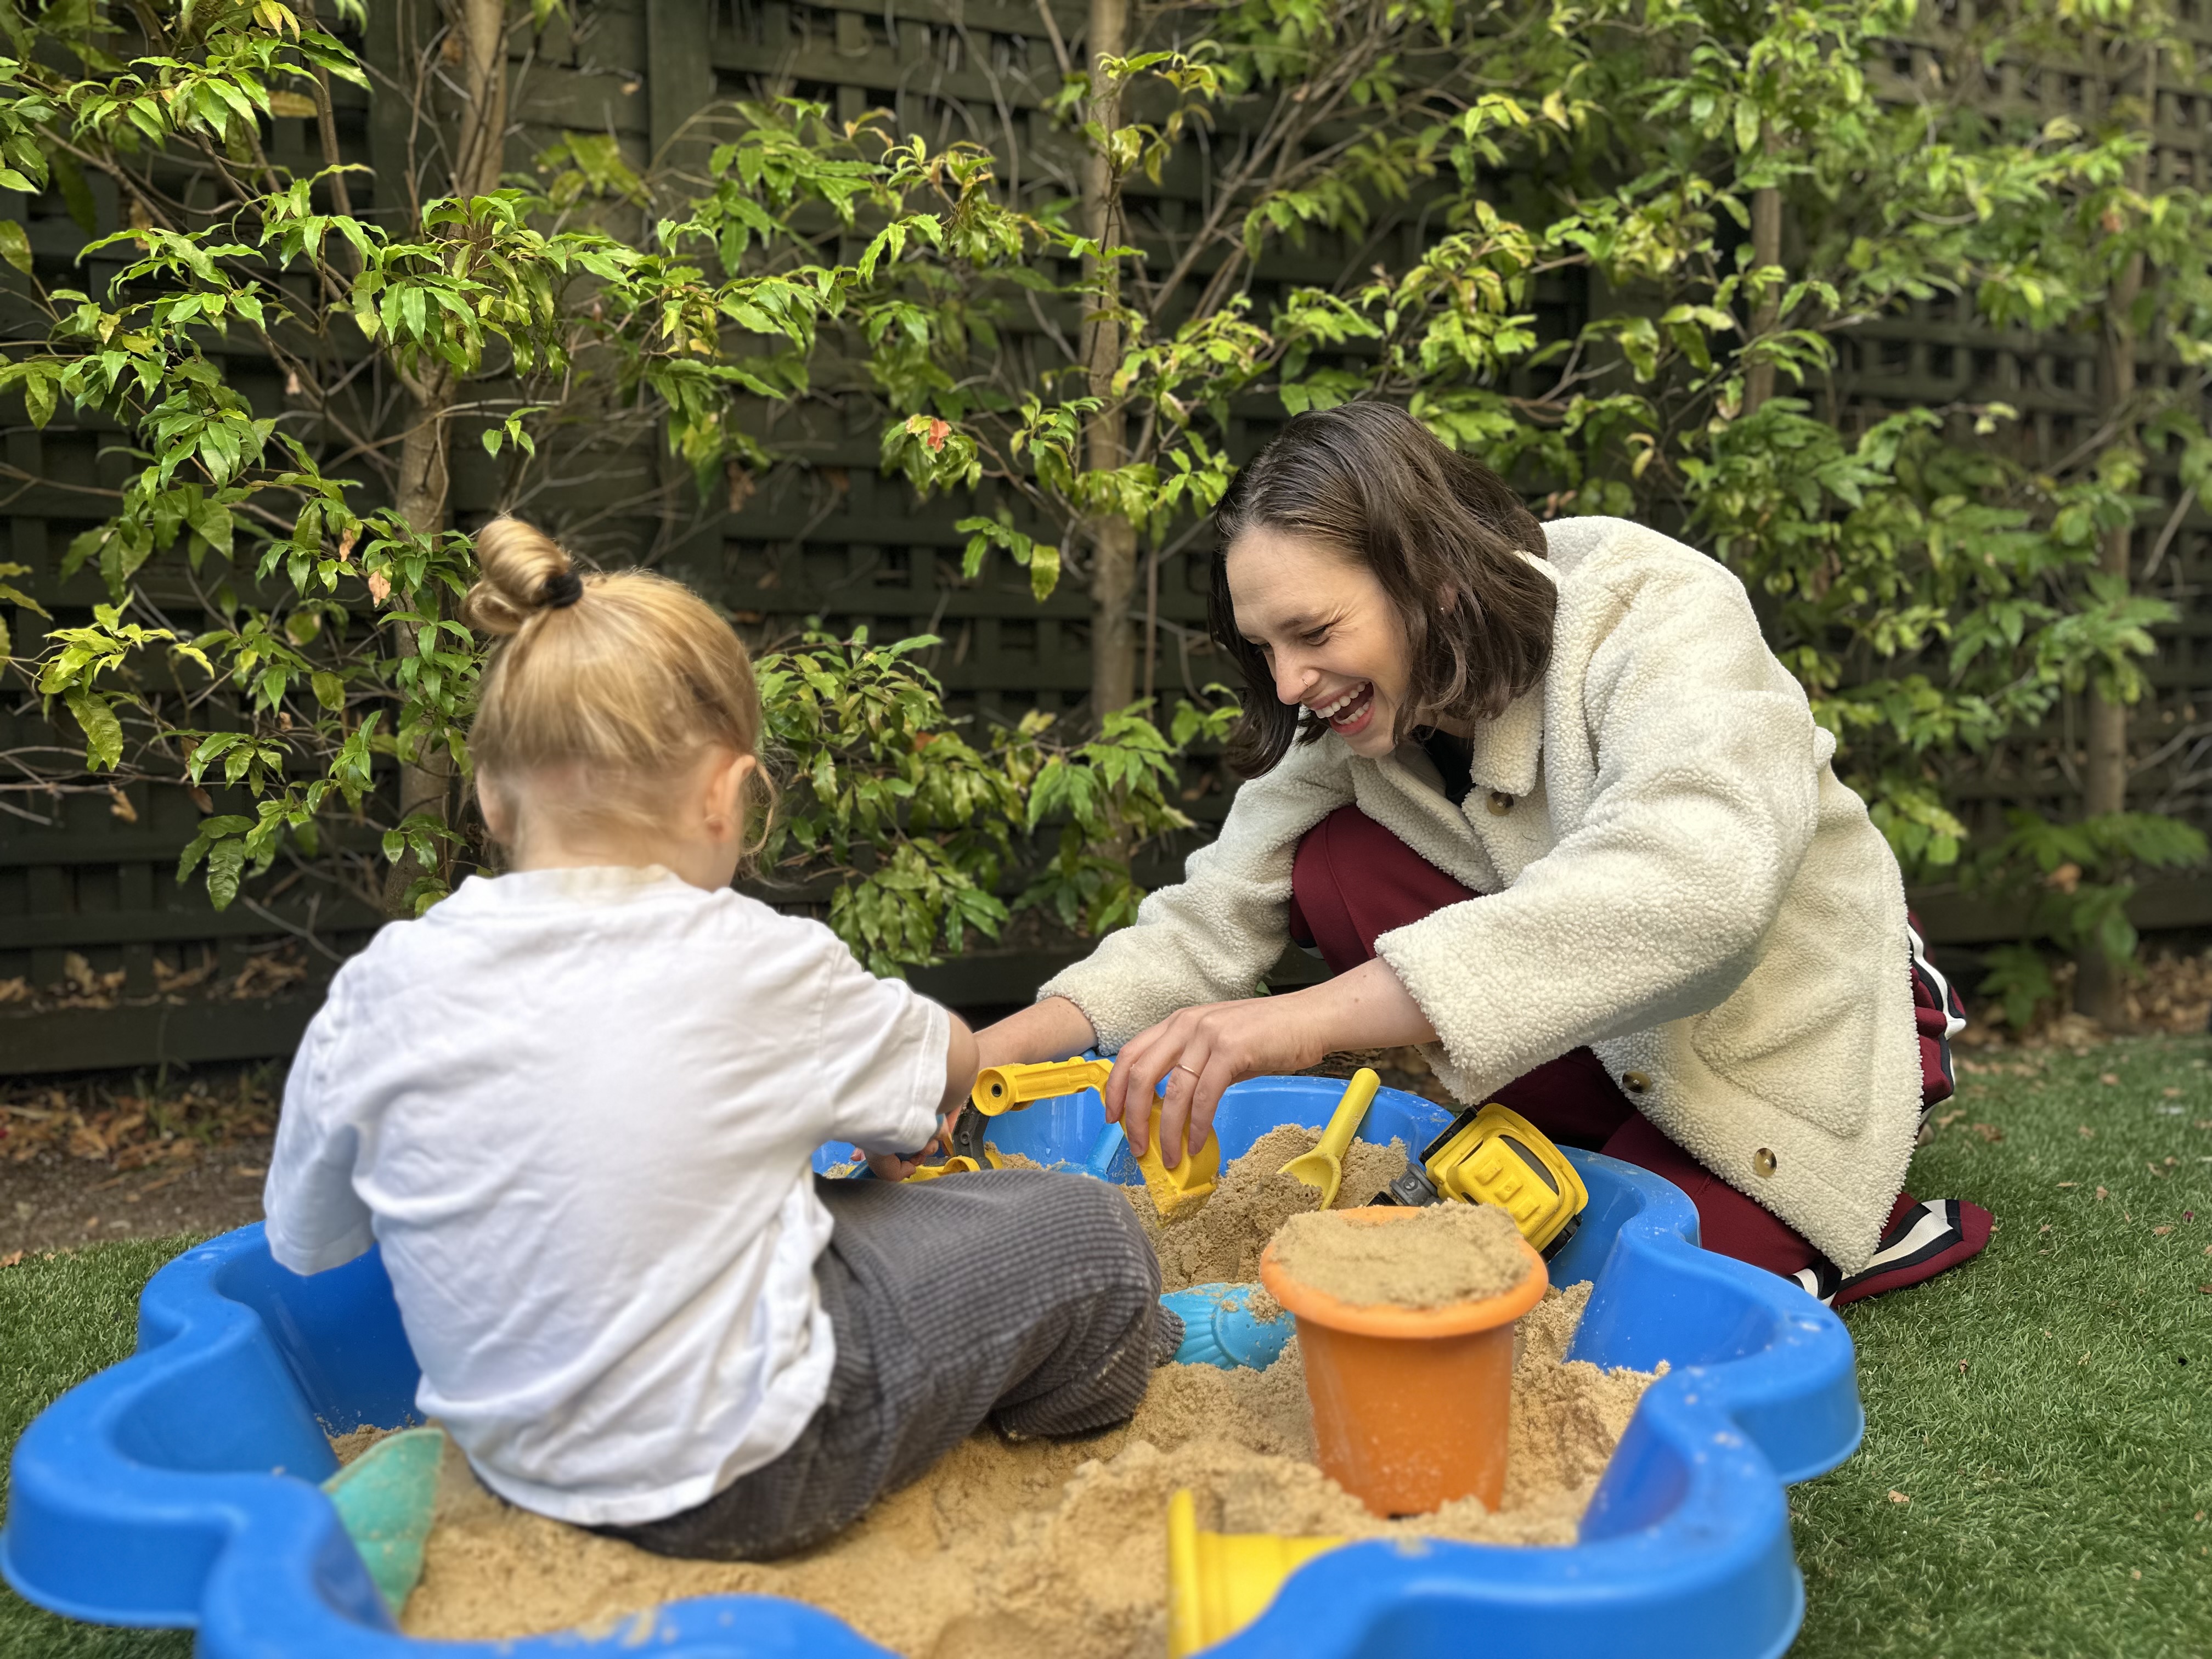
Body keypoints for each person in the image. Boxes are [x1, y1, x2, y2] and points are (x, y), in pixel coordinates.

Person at [262, 519, 1177, 1561]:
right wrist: (923, 1095)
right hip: (761, 1472)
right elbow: (952, 1062)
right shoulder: (758, 961)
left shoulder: (379, 985)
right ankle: (1127, 1369)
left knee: (803, 1210)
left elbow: (309, 1239)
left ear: (490, 796)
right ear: (724, 796)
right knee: (1084, 1233)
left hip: (518, 1468)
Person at [979, 403, 1988, 1306]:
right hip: (1617, 1036)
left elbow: (1699, 888)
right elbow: (1209, 920)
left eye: (1313, 631)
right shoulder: (1359, 715)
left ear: (1436, 578)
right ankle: (1594, 1141)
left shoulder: (1658, 610)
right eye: (1265, 648)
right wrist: (979, 1061)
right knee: (1330, 858)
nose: (1288, 684)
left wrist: (1299, 1020)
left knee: (1618, 1295)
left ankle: (1856, 1211)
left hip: (1790, 1018)